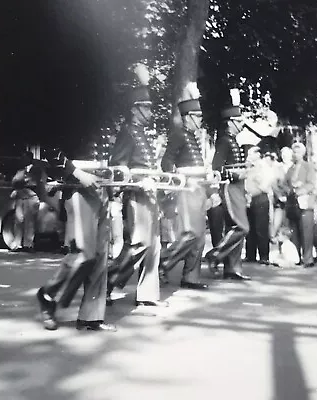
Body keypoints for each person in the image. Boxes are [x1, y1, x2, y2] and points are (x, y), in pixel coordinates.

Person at [36, 149, 116, 332]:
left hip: (101, 186)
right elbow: (50, 148)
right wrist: (77, 173)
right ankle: (47, 295)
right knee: (83, 254)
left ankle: (91, 317)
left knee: (99, 257)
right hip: (79, 187)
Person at [106, 63, 165, 307]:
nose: (150, 112)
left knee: (154, 246)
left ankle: (147, 295)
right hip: (136, 195)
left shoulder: (142, 133)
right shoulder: (128, 132)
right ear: (135, 110)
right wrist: (134, 184)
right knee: (140, 243)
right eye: (146, 108)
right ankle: (109, 281)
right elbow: (118, 167)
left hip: (149, 194)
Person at [159, 82, 212, 290]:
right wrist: (180, 179)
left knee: (198, 237)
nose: (200, 120)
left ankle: (191, 277)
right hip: (187, 189)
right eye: (197, 116)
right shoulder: (179, 134)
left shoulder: (192, 137)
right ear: (188, 116)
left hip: (198, 189)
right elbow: (166, 162)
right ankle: (164, 261)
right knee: (190, 233)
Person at [204, 89, 251, 281]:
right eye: (238, 121)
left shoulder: (234, 141)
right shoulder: (224, 141)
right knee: (242, 227)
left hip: (238, 187)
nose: (241, 124)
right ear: (230, 122)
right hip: (230, 187)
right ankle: (215, 254)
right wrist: (235, 172)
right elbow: (216, 168)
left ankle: (233, 269)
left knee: (236, 227)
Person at [280, 142, 315, 268]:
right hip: (293, 203)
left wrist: (301, 189)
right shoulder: (291, 169)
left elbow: (312, 183)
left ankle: (308, 259)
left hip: (305, 202)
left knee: (307, 230)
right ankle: (297, 257)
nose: (295, 154)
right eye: (294, 152)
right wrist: (290, 190)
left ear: (303, 153)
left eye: (298, 152)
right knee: (294, 230)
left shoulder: (308, 167)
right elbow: (283, 184)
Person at [245, 146, 273, 264]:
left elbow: (266, 185)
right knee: (250, 228)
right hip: (249, 199)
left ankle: (264, 256)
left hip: (260, 198)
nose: (249, 156)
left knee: (261, 228)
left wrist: (258, 180)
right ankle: (250, 255)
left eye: (251, 154)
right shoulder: (249, 167)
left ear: (258, 155)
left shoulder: (263, 167)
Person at [11, 151, 41, 252]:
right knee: (18, 220)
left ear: (30, 158)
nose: (22, 160)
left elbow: (33, 182)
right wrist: (21, 182)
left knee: (30, 221)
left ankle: (28, 245)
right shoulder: (20, 170)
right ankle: (17, 244)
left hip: (31, 196)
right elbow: (14, 181)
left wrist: (20, 184)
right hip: (21, 196)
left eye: (25, 158)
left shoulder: (35, 169)